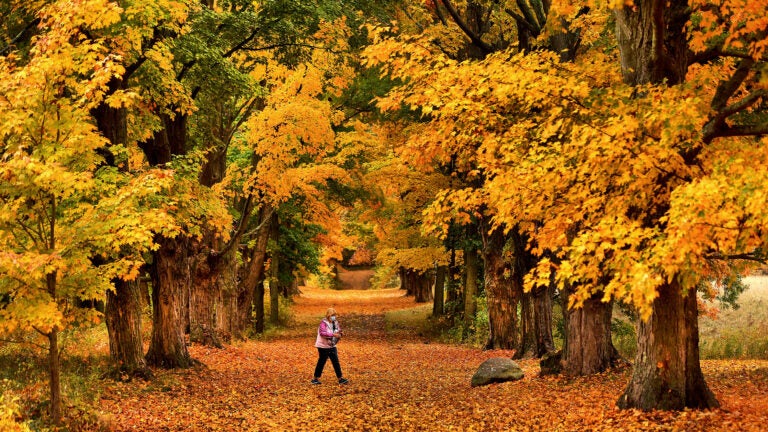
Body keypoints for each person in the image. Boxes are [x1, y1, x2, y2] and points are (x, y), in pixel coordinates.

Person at [311, 307, 349, 385]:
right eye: (332, 315)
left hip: (332, 345)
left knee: (335, 361)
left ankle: (340, 378)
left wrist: (340, 333)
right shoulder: (323, 323)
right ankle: (315, 378)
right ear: (328, 315)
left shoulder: (335, 322)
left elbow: (338, 330)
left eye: (334, 315)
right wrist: (333, 334)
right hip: (322, 346)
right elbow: (323, 333)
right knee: (322, 361)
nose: (334, 317)